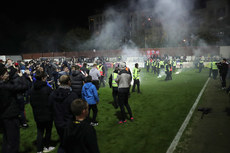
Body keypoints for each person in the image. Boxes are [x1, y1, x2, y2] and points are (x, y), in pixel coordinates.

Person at [0, 63, 28, 153]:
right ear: (1, 76)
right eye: (6, 74)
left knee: (6, 140)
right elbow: (24, 87)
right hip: (10, 116)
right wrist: (22, 76)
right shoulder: (5, 87)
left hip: (4, 116)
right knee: (13, 141)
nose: (8, 75)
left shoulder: (4, 85)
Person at [49, 75, 78, 153]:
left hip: (58, 122)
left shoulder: (52, 94)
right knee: (70, 144)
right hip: (69, 123)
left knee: (63, 142)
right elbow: (76, 111)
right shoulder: (73, 95)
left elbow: (50, 107)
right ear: (69, 82)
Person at [30, 70, 55, 153]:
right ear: (43, 78)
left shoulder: (32, 89)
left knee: (40, 131)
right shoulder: (47, 89)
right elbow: (52, 101)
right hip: (47, 113)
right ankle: (46, 146)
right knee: (47, 131)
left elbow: (31, 102)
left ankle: (39, 150)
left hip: (37, 113)